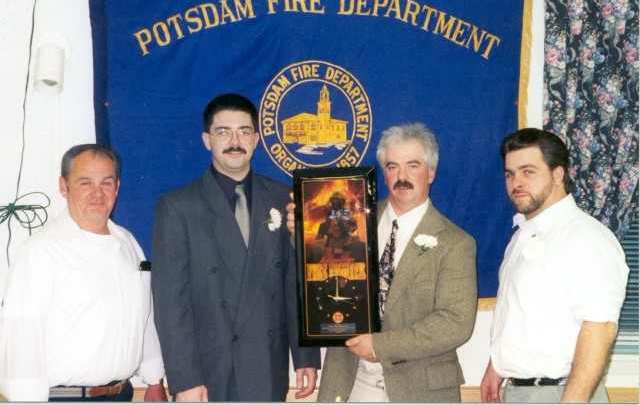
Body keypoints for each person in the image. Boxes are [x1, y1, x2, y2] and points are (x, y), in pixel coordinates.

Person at [150, 93, 321, 402]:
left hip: (268, 365)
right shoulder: (177, 207)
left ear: (256, 139)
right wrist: (185, 379)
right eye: (223, 132)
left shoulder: (286, 197)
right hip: (208, 372)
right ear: (207, 140)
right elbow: (170, 305)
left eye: (243, 131)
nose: (234, 141)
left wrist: (305, 356)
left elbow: (296, 285)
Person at [312, 123, 478, 402]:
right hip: (349, 384)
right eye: (392, 167)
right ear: (384, 175)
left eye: (412, 166)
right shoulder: (353, 225)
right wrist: (301, 234)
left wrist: (379, 346)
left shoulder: (456, 243)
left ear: (431, 172)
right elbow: (318, 268)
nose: (402, 176)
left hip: (420, 391)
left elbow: (455, 324)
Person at [0, 144, 167, 402]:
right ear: (63, 187)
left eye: (106, 183)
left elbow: (143, 318)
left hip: (121, 394)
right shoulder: (41, 252)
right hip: (65, 398)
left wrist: (155, 380)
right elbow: (22, 340)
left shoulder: (128, 243)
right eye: (85, 183)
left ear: (117, 188)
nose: (97, 193)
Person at [480, 128, 629, 403]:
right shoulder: (522, 235)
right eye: (510, 174)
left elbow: (600, 328)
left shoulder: (585, 237)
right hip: (521, 392)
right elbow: (525, 313)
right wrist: (497, 366)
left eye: (528, 171)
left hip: (562, 394)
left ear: (558, 175)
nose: (516, 182)